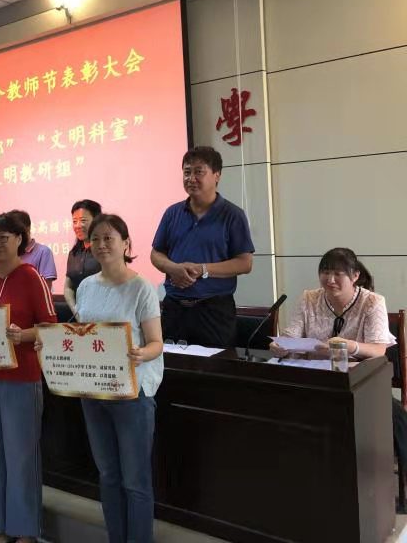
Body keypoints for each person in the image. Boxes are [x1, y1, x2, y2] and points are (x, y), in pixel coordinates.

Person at [41, 214, 163, 543]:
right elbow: (83, 337)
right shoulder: (86, 287)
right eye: (95, 239)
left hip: (133, 394)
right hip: (93, 392)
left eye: (109, 238)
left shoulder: (141, 288)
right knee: (108, 475)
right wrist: (51, 346)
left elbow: (156, 343)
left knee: (135, 481)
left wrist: (140, 353)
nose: (101, 244)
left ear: (126, 244)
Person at [270, 248, 406, 471]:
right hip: (314, 378)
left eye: (337, 274)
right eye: (325, 272)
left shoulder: (372, 302)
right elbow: (291, 336)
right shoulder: (308, 298)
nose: (330, 279)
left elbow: (378, 350)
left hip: (356, 380)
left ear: (355, 276)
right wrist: (281, 347)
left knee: (390, 412)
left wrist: (348, 346)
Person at [0, 212, 57, 543]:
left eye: (3, 238)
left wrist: (22, 336)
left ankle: (26, 530)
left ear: (19, 239)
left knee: (21, 456)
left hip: (22, 376)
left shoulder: (31, 276)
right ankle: (2, 526)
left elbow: (50, 327)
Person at [151, 146, 254, 348]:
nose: (191, 178)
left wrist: (203, 269)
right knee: (172, 364)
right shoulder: (172, 213)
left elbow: (245, 263)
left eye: (199, 172)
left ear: (217, 175)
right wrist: (173, 268)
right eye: (187, 172)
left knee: (216, 365)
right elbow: (156, 253)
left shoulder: (233, 215)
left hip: (214, 310)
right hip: (174, 308)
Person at [64, 199, 102, 319]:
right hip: (79, 317)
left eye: (83, 221)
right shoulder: (74, 253)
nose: (78, 226)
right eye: (74, 221)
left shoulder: (106, 251)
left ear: (96, 221)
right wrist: (76, 312)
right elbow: (68, 287)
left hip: (105, 317)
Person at [9, 209, 57, 289]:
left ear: (28, 229)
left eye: (17, 231)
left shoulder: (43, 252)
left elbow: (46, 288)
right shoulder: (9, 253)